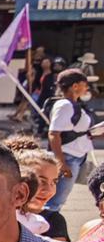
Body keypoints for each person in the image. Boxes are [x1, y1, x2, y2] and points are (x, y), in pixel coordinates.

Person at [47, 68, 95, 213]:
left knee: (58, 200)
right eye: (84, 84)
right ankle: (45, 229)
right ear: (75, 86)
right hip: (68, 158)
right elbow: (54, 134)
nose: (87, 88)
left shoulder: (74, 105)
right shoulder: (65, 105)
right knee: (54, 202)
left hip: (76, 157)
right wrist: (61, 162)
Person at [16, 147, 68, 240]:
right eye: (40, 181)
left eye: (54, 182)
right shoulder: (1, 216)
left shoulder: (54, 221)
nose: (48, 190)